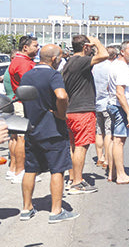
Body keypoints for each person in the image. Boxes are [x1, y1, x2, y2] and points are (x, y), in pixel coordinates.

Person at [19, 44, 79, 223]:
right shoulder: (53, 74)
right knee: (57, 169)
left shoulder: (27, 75)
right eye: (60, 57)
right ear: (54, 59)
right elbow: (61, 96)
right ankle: (56, 211)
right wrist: (61, 113)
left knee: (30, 169)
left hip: (32, 127)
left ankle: (26, 207)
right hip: (52, 130)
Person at [61, 35, 108, 195]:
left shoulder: (68, 64)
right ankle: (77, 182)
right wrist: (97, 43)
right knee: (82, 146)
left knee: (74, 146)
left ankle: (73, 178)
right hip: (82, 110)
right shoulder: (80, 61)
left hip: (71, 110)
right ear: (85, 47)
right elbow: (104, 55)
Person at [106, 41, 129, 184]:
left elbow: (110, 87)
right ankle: (121, 175)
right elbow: (119, 93)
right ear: (122, 51)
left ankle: (112, 172)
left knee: (115, 140)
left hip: (114, 105)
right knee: (119, 142)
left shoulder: (115, 65)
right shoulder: (122, 68)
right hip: (120, 107)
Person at [7, 35, 39, 184]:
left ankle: (13, 169)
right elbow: (30, 83)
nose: (37, 48)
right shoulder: (23, 63)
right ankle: (20, 171)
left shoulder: (18, 60)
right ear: (25, 47)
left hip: (19, 102)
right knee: (21, 138)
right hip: (24, 103)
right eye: (35, 46)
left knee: (15, 137)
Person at [92, 45, 118, 172]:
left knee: (99, 131)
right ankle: (107, 160)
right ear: (114, 56)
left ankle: (100, 157)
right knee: (109, 132)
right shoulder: (111, 67)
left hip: (96, 102)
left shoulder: (95, 66)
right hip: (108, 102)